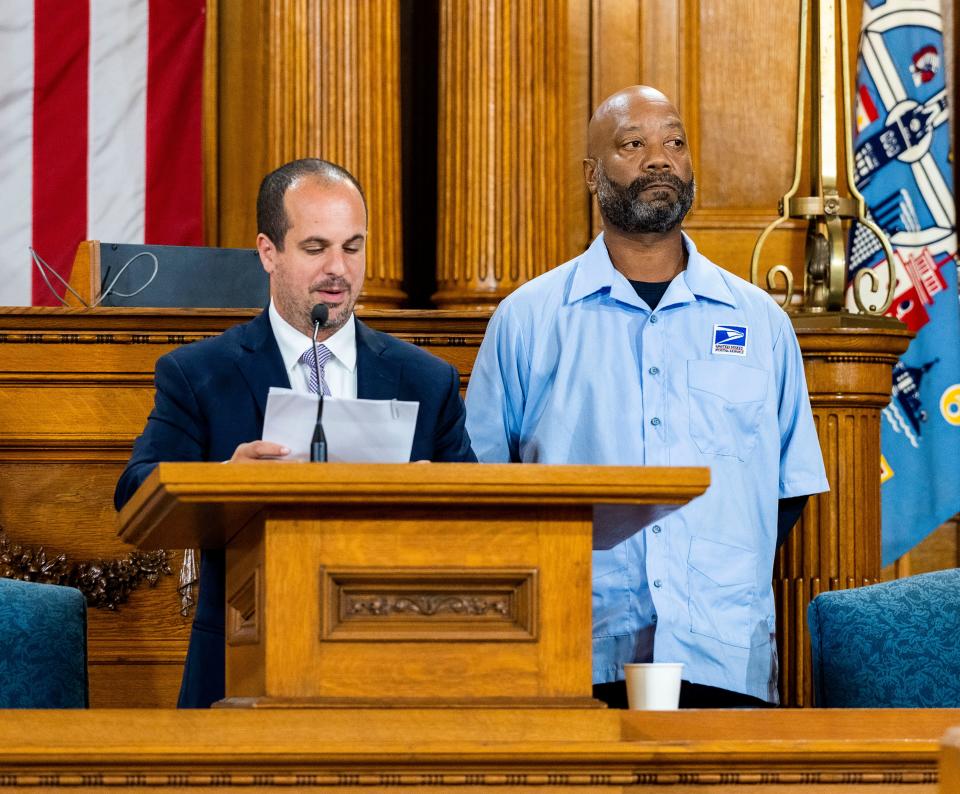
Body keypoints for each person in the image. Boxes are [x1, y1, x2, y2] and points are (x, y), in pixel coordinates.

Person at [465, 86, 828, 708]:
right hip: (576, 649)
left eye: (675, 143)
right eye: (634, 144)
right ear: (591, 174)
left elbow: (785, 492)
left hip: (722, 652)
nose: (660, 159)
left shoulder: (761, 321)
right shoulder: (527, 320)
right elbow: (483, 489)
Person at [115, 158, 476, 708]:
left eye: (352, 247)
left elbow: (481, 516)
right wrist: (224, 482)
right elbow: (133, 492)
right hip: (244, 665)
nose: (338, 268)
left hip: (393, 671)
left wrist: (439, 494)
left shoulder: (426, 380)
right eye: (315, 248)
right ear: (268, 252)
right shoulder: (199, 373)